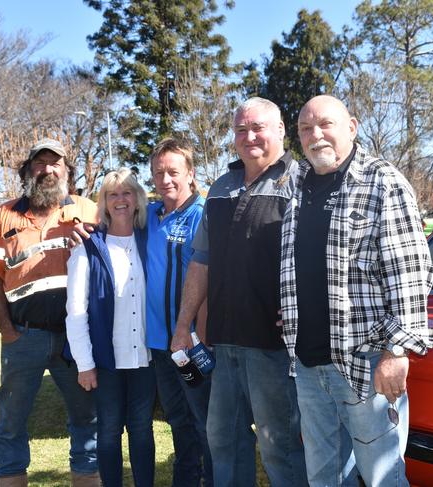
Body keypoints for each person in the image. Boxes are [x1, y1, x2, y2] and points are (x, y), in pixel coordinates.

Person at [279, 95, 433, 486]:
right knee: (324, 477)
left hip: (366, 362)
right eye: (305, 128)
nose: (315, 134)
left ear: (352, 127)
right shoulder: (296, 186)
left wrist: (397, 351)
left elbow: (409, 270)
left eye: (325, 124)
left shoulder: (381, 180)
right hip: (307, 365)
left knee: (381, 476)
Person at [171, 97, 308, 487]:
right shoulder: (220, 187)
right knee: (224, 441)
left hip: (275, 345)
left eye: (258, 127)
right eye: (241, 129)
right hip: (223, 343)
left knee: (279, 445)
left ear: (281, 130)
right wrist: (184, 326)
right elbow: (200, 261)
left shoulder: (301, 182)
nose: (249, 136)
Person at [0, 138, 99, 487]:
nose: (47, 170)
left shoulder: (88, 209)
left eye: (55, 163)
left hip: (75, 339)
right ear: (28, 170)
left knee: (86, 417)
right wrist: (7, 330)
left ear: (67, 171)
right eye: (39, 163)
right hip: (23, 336)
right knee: (11, 420)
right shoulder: (5, 215)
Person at [66, 167, 155, 487]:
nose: (120, 200)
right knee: (108, 431)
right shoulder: (87, 247)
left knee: (143, 430)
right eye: (112, 194)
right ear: (103, 203)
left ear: (137, 199)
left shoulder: (150, 239)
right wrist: (84, 364)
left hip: (145, 357)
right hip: (106, 360)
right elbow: (75, 311)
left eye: (127, 192)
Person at [146, 138, 212, 487]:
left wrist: (192, 334)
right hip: (159, 346)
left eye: (174, 171)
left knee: (205, 424)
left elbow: (212, 281)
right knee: (178, 423)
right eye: (159, 173)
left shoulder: (202, 214)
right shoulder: (152, 216)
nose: (166, 179)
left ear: (190, 173)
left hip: (190, 345)